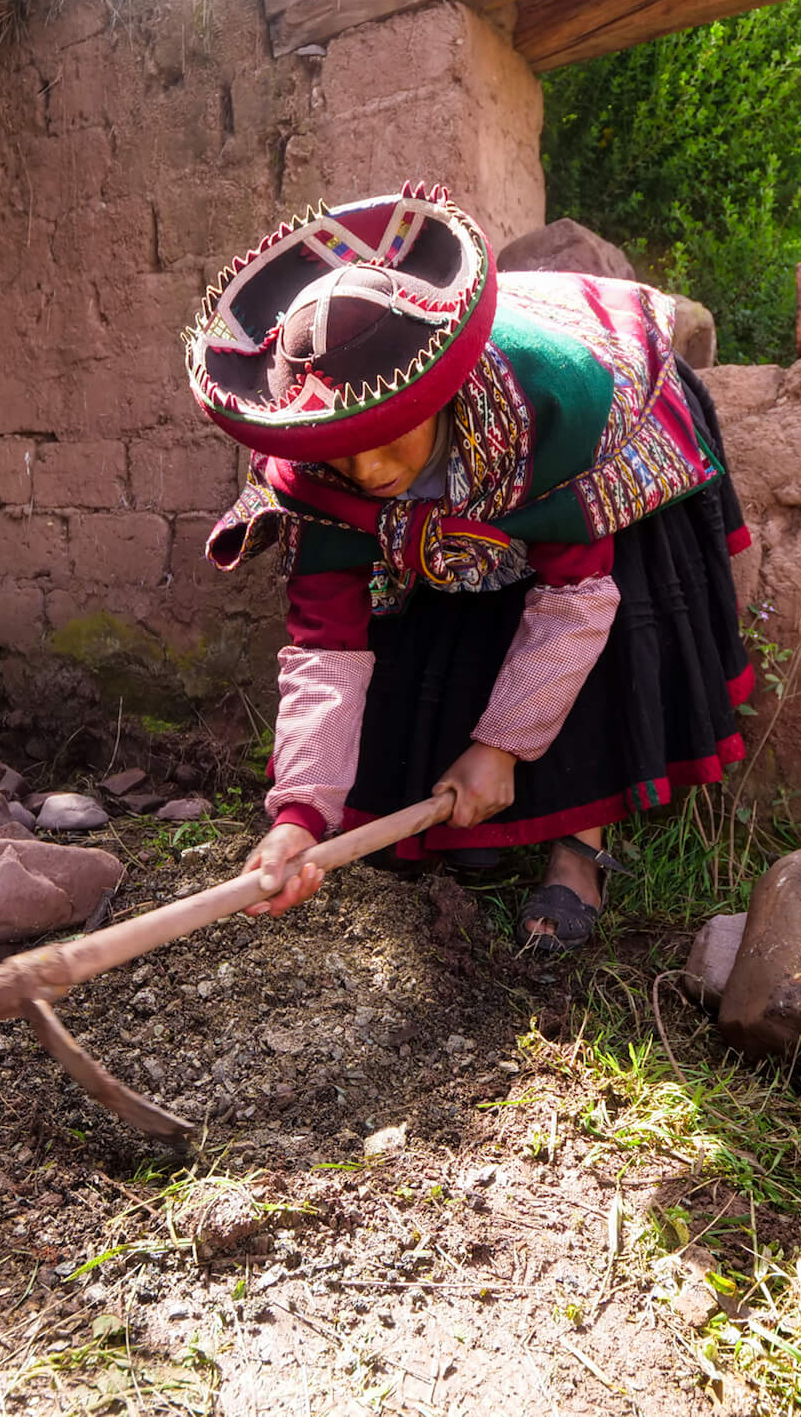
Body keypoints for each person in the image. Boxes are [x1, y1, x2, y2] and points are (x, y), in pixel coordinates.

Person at [187, 184, 753, 951]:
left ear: (440, 395)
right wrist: (299, 816)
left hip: (606, 418)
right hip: (472, 487)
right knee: (432, 597)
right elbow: (327, 648)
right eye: (343, 453)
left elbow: (576, 597)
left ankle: (578, 848)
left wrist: (501, 746)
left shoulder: (549, 408)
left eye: (389, 437)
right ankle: (479, 811)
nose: (370, 471)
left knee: (609, 592)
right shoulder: (312, 471)